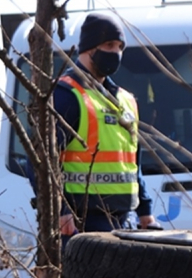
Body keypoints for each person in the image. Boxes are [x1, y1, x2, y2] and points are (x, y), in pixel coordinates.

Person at [54, 12, 157, 242]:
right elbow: (43, 162)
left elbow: (132, 164)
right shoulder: (66, 95)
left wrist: (145, 212)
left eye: (120, 47)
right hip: (81, 221)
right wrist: (61, 211)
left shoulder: (126, 100)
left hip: (124, 219)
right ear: (89, 48)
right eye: (109, 45)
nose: (116, 53)